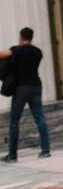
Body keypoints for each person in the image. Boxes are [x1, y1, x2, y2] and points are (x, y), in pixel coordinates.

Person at [1, 29, 50, 162]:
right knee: (40, 118)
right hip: (36, 86)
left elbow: (2, 55)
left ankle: (12, 155)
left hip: (21, 88)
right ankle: (45, 150)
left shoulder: (17, 50)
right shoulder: (38, 52)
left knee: (15, 121)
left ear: (21, 37)